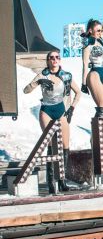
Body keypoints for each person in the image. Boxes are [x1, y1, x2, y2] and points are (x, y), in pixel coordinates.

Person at [23, 50, 82, 191]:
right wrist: (38, 81)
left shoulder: (65, 75)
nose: (54, 59)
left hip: (61, 111)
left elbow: (78, 92)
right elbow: (26, 90)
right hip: (46, 111)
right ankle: (50, 182)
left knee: (65, 146)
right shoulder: (43, 74)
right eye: (51, 57)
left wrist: (71, 108)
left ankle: (62, 180)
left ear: (60, 60)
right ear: (48, 61)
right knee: (50, 144)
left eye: (57, 57)